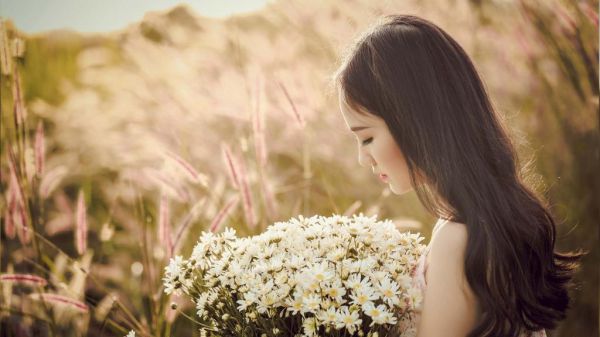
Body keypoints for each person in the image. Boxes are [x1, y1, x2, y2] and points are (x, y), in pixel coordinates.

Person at [332, 14, 583, 337]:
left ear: (415, 122)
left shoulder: (457, 239)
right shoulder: (488, 223)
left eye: (366, 137)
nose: (362, 158)